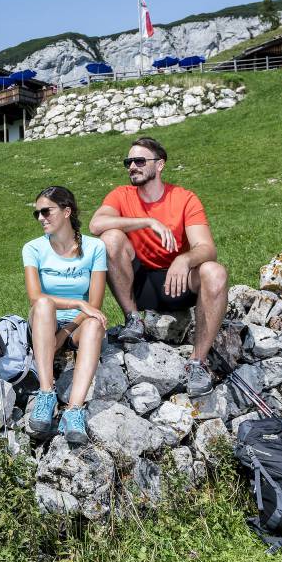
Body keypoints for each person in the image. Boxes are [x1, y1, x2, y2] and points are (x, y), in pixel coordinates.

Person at [89, 137, 228, 397]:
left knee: (215, 271)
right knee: (109, 239)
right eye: (128, 162)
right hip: (139, 285)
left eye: (140, 161)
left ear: (160, 164)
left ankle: (197, 363)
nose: (132, 166)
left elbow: (207, 248)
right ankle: (134, 320)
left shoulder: (184, 198)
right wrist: (147, 222)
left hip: (177, 284)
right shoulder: (121, 195)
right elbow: (95, 225)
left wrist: (184, 259)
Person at [23, 186, 108, 443]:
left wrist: (66, 332)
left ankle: (74, 411)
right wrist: (77, 304)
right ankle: (46, 393)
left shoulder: (95, 248)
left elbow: (94, 303)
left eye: (46, 211)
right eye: (37, 213)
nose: (41, 218)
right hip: (43, 320)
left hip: (77, 324)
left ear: (67, 211)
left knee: (94, 324)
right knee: (45, 305)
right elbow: (36, 297)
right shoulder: (32, 248)